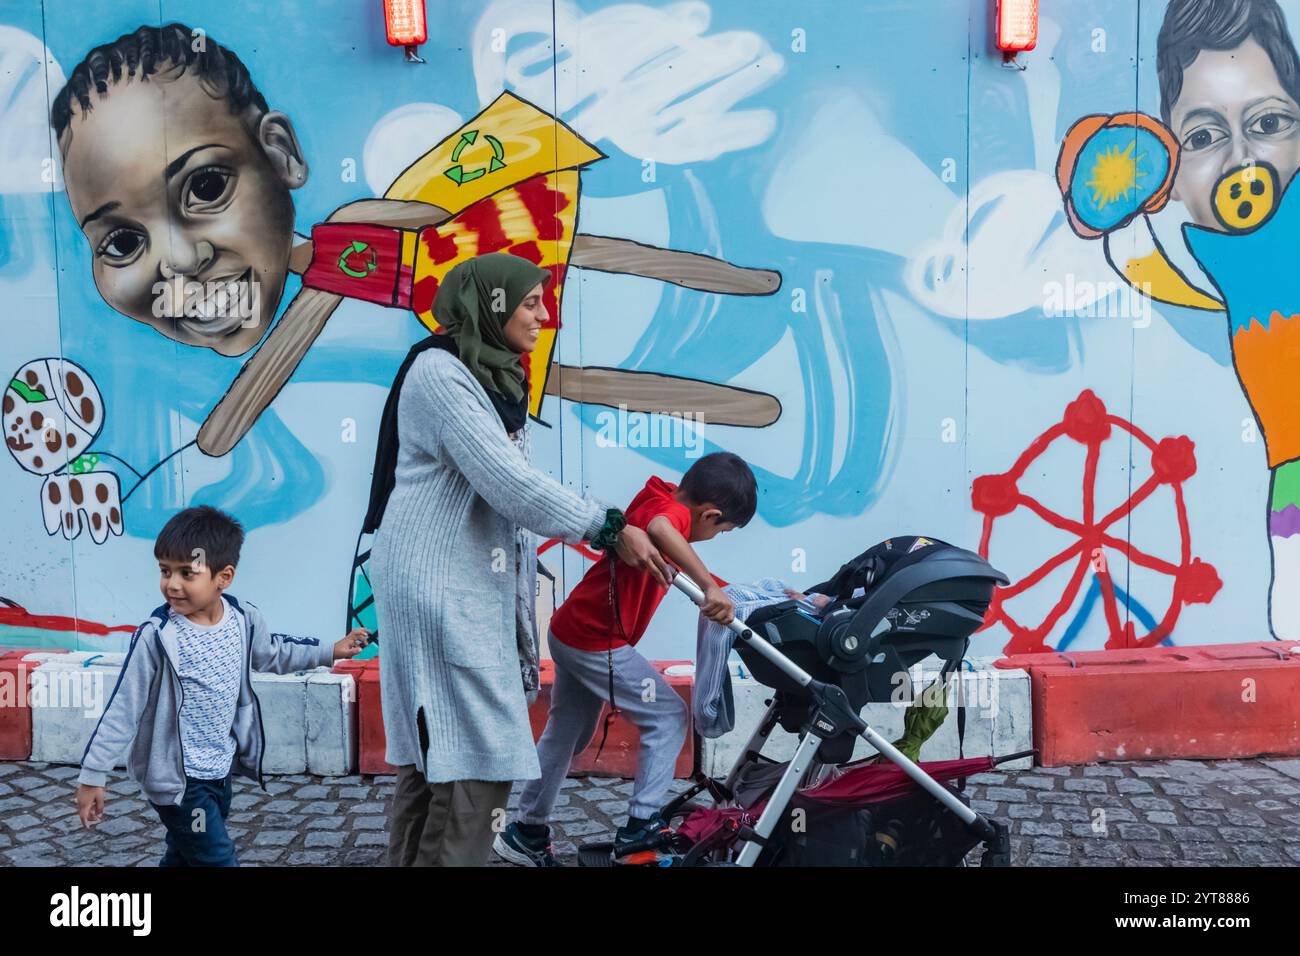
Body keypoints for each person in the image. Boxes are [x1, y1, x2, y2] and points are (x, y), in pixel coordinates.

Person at [364, 252, 671, 867]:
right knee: (473, 751)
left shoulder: (490, 375)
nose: (543, 314)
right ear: (493, 304)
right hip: (437, 585)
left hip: (458, 581)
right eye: (530, 302)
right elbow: (509, 483)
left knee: (438, 753)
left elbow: (516, 484)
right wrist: (609, 527)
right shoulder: (441, 374)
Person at [495, 452, 756, 866]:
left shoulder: (662, 499)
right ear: (710, 515)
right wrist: (709, 584)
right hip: (595, 640)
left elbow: (673, 552)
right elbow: (660, 528)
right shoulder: (669, 513)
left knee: (568, 733)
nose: (717, 536)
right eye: (723, 530)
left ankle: (525, 831)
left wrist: (735, 591)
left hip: (572, 630)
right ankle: (640, 828)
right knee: (668, 716)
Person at [74, 505, 370, 866]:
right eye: (165, 571)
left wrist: (330, 651)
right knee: (216, 858)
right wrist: (93, 776)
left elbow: (273, 653)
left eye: (187, 573)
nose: (172, 584)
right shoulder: (159, 637)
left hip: (219, 770)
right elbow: (123, 708)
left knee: (185, 853)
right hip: (181, 783)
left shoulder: (242, 619)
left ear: (223, 577)